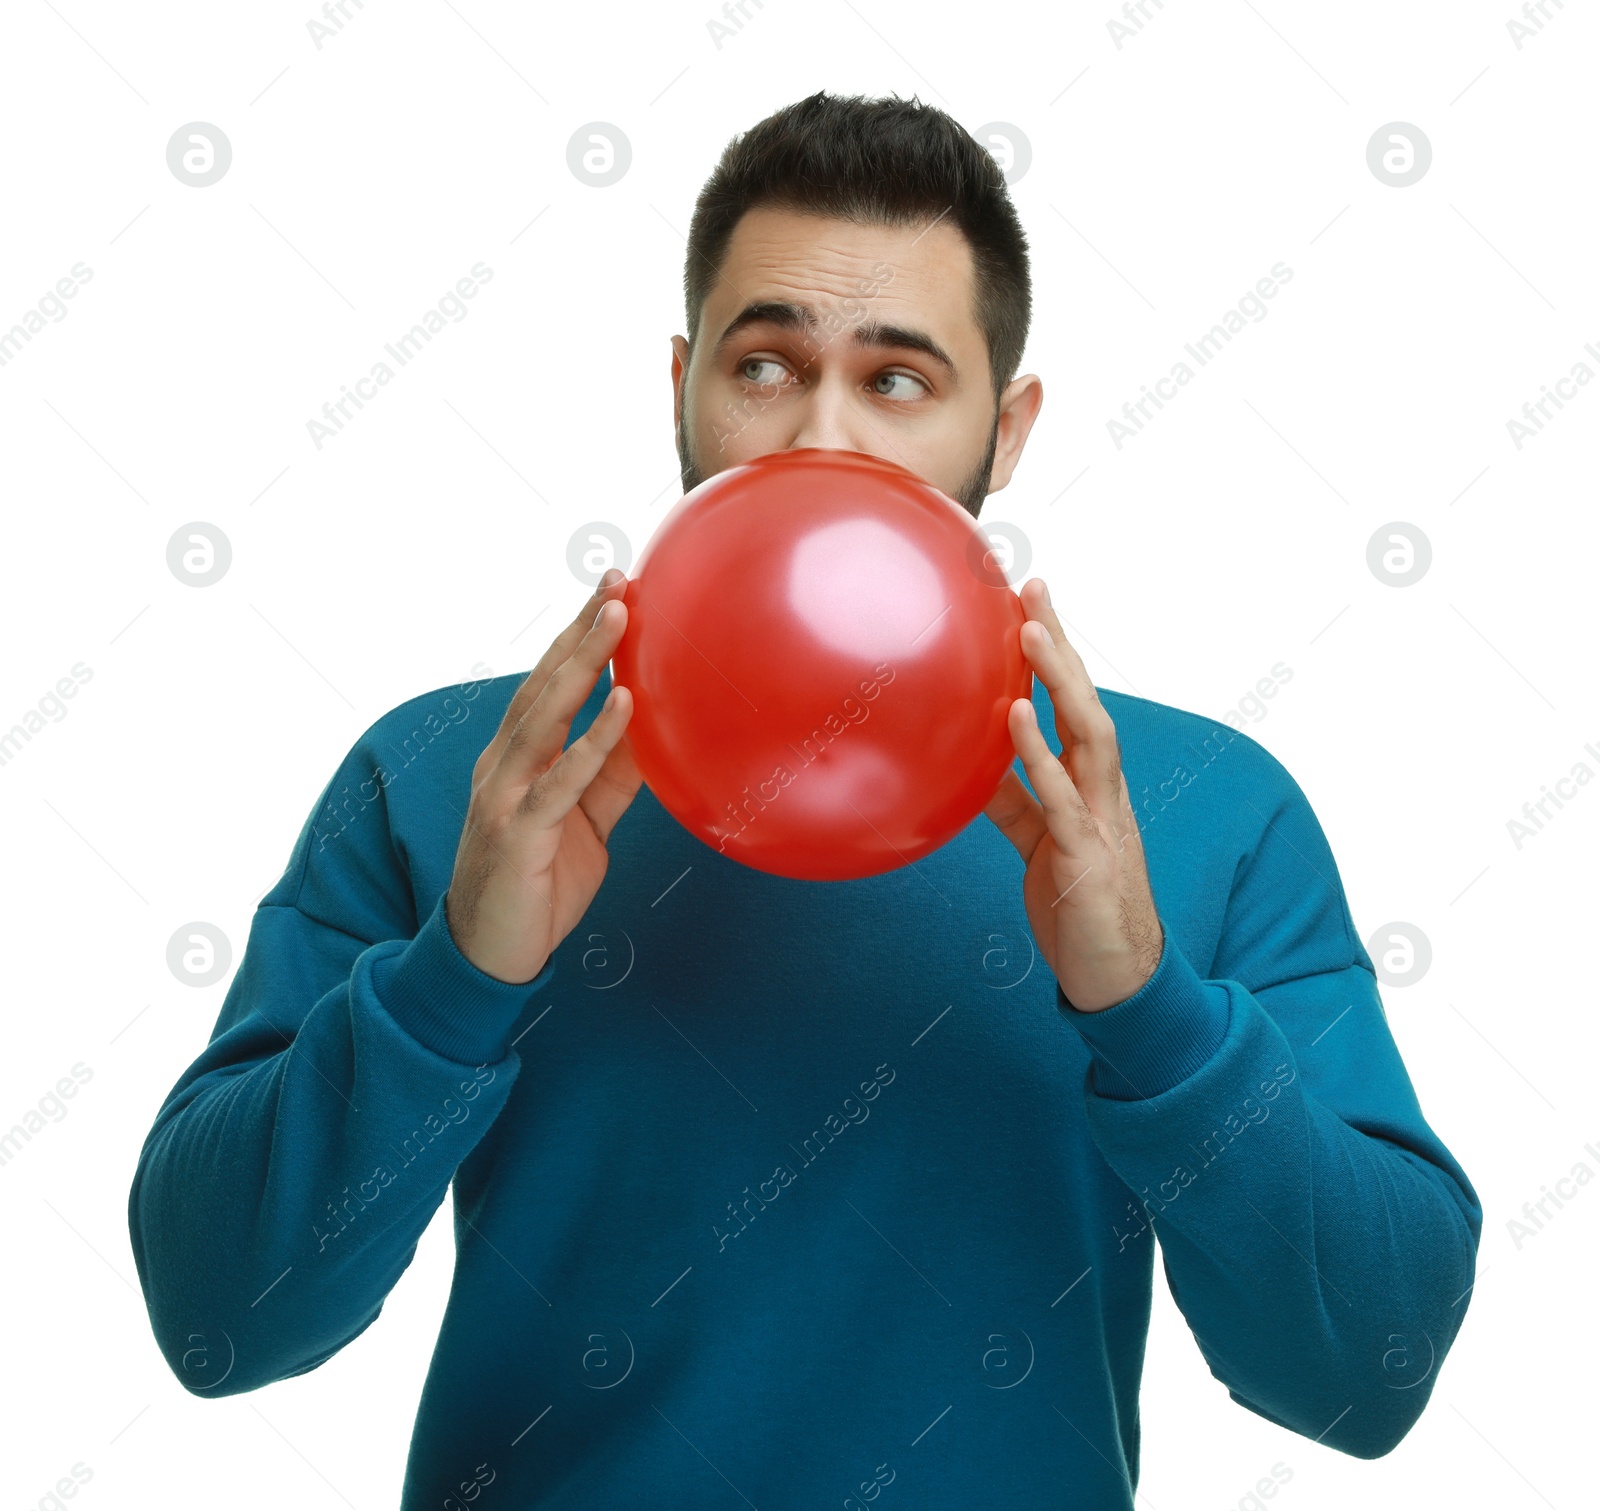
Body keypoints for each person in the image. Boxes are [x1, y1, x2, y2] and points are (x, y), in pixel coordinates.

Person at [128, 92, 1480, 1508]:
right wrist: (455, 976)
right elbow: (224, 1321)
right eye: (766, 364)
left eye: (898, 381)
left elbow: (1365, 1378)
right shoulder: (450, 776)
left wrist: (1150, 1007)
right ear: (681, 383)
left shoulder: (1202, 811)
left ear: (1005, 432)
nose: (819, 436)